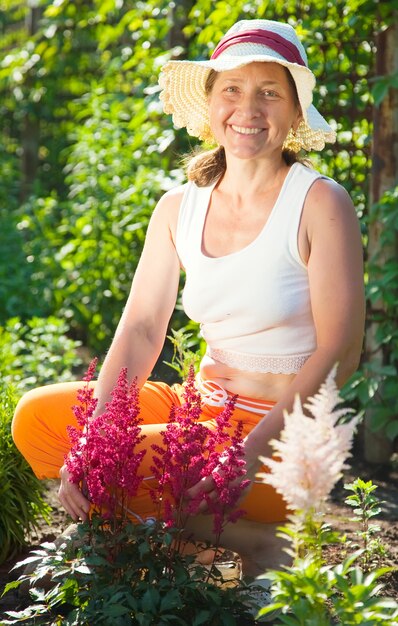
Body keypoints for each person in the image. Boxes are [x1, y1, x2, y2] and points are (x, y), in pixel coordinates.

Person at [12, 19, 365, 579]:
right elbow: (142, 330)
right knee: (37, 421)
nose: (248, 109)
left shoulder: (321, 203)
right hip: (194, 409)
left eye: (269, 93)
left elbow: (340, 351)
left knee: (118, 473)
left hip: (279, 436)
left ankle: (248, 552)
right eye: (232, 89)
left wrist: (241, 461)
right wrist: (96, 436)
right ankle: (217, 550)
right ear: (210, 103)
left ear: (296, 112)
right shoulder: (179, 206)